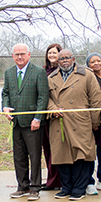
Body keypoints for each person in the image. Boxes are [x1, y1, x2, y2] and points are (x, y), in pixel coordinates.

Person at [47, 49, 101, 201]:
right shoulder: (51, 78)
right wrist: (53, 109)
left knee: (81, 156)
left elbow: (95, 98)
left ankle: (79, 189)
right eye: (61, 58)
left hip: (81, 121)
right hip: (59, 122)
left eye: (67, 57)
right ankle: (66, 187)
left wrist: (95, 121)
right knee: (62, 155)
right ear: (58, 61)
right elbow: (46, 98)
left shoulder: (87, 74)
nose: (64, 60)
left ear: (73, 59)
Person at [2, 43, 49, 202]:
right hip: (16, 122)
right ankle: (22, 186)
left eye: (22, 54)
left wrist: (38, 118)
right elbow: (6, 93)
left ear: (29, 55)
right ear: (13, 56)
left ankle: (35, 188)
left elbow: (43, 96)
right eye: (17, 54)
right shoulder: (9, 73)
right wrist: (5, 107)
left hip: (33, 123)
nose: (20, 57)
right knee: (19, 157)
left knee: (34, 157)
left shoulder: (38, 72)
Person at [86, 53, 101, 193]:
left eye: (98, 60)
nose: (96, 63)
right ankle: (89, 181)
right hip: (92, 117)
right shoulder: (87, 77)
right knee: (90, 151)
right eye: (92, 61)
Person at [41, 43, 63, 191]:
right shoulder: (42, 71)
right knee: (47, 148)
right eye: (49, 53)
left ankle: (59, 180)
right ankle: (51, 178)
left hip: (59, 114)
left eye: (54, 53)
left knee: (58, 148)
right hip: (45, 116)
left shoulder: (63, 71)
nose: (52, 55)